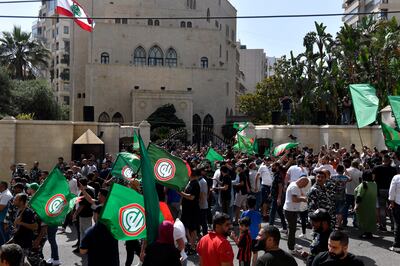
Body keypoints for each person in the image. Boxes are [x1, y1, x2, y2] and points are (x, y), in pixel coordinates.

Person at [283, 177, 309, 253]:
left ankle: (293, 244)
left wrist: (303, 197)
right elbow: (294, 199)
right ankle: (291, 248)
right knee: (292, 230)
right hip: (290, 211)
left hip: (291, 210)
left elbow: (298, 195)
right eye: (304, 185)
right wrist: (303, 199)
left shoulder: (294, 184)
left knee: (292, 229)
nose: (304, 186)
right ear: (301, 181)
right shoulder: (294, 187)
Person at [373, 154, 396, 231]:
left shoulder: (377, 168)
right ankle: (393, 226)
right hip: (390, 190)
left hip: (380, 190)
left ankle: (383, 226)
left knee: (382, 208)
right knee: (391, 208)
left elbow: (373, 179)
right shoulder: (393, 169)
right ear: (389, 160)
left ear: (383, 160)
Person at [179, 168, 200, 254]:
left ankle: (192, 246)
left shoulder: (195, 184)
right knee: (187, 227)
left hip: (192, 210)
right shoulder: (190, 183)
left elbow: (192, 197)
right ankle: (191, 244)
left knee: (192, 229)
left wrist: (180, 193)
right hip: (187, 210)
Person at [73, 178, 95, 253]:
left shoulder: (85, 192)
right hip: (86, 215)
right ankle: (83, 247)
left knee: (85, 232)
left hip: (85, 215)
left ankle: (86, 248)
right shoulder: (87, 191)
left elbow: (82, 206)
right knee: (83, 232)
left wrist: (75, 214)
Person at [354, 170, 377, 239]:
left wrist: (356, 206)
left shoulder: (364, 184)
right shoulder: (374, 184)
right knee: (370, 218)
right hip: (372, 205)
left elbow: (359, 196)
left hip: (363, 205)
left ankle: (364, 233)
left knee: (363, 219)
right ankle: (369, 233)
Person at [241, 196, 262, 265]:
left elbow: (241, 226)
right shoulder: (258, 214)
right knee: (255, 254)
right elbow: (259, 227)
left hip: (246, 237)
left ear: (247, 204)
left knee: (247, 254)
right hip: (255, 238)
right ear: (255, 204)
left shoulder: (244, 213)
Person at [330, 165, 350, 229]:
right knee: (340, 212)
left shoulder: (333, 177)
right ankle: (338, 224)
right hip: (342, 196)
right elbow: (350, 178)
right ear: (342, 170)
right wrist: (345, 171)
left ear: (336, 170)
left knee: (333, 210)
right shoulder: (345, 177)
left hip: (333, 196)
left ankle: (333, 223)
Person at [269, 163, 287, 232]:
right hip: (275, 196)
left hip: (277, 197)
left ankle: (270, 229)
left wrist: (279, 198)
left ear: (277, 167)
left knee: (272, 212)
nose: (271, 167)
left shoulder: (278, 175)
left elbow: (280, 187)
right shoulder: (275, 174)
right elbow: (274, 185)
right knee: (280, 212)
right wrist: (271, 193)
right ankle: (285, 228)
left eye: (273, 166)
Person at [343, 160, 362, 227]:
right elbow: (361, 182)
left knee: (345, 208)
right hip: (356, 192)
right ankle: (355, 222)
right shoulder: (360, 172)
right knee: (355, 208)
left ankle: (344, 221)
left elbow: (343, 179)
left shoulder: (347, 171)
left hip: (347, 191)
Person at [389, 172, 400, 252]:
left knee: (398, 224)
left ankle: (397, 245)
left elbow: (392, 191)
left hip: (398, 204)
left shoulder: (396, 177)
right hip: (397, 203)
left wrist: (392, 202)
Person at [0, 181, 13, 245]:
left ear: (2, 187)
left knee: (6, 238)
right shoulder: (3, 193)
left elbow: (1, 208)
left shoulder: (6, 195)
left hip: (4, 220)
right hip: (2, 219)